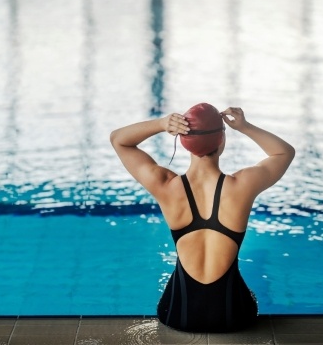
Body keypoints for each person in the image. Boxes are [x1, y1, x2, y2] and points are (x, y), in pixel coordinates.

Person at [110, 103, 295, 332]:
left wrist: (161, 124)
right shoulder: (243, 185)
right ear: (222, 141)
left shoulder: (166, 186)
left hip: (177, 315)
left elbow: (119, 139)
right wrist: (245, 127)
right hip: (235, 316)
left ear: (185, 143)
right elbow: (284, 152)